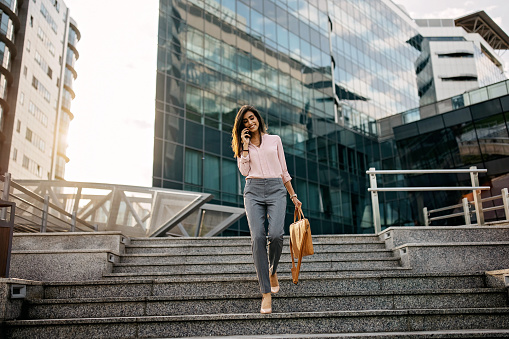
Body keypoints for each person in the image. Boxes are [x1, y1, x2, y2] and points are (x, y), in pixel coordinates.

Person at [231, 105, 302, 314]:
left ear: (258, 119)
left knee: (277, 235)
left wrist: (293, 196)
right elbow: (244, 171)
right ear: (241, 127)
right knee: (258, 238)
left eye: (251, 118)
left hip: (276, 189)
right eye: (245, 121)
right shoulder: (242, 146)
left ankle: (272, 270)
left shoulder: (275, 140)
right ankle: (266, 293)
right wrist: (244, 146)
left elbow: (284, 171)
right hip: (252, 190)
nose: (250, 123)